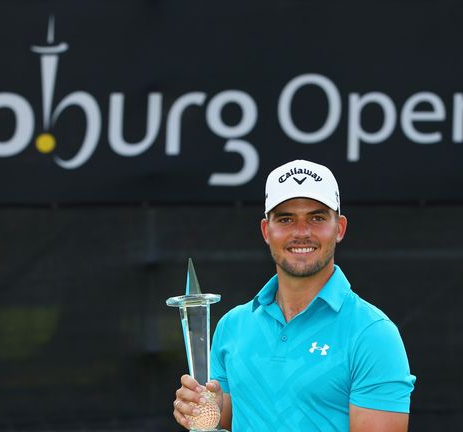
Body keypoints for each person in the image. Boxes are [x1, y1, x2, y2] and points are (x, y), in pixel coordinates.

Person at [173, 160, 416, 431]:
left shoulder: (372, 334)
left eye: (317, 218)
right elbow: (228, 423)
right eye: (286, 219)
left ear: (340, 228)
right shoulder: (232, 326)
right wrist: (211, 413)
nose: (301, 232)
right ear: (267, 230)